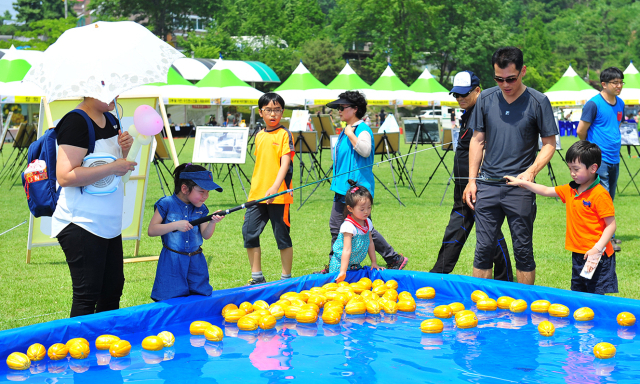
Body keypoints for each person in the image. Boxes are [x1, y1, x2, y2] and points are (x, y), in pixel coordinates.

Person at [463, 47, 558, 285]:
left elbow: (549, 144)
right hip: (487, 185)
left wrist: (531, 172)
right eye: (499, 79)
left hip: (521, 188)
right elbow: (477, 139)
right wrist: (471, 181)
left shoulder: (539, 101)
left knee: (523, 251)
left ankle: (522, 309)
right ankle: (481, 306)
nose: (505, 84)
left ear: (522, 71)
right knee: (483, 250)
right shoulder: (485, 98)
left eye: (511, 79)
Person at [51, 97, 137, 317]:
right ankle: (78, 350)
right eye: (110, 90)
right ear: (92, 90)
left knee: (112, 290)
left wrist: (124, 153)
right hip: (81, 222)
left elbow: (113, 171)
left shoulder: (111, 119)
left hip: (108, 223)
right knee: (87, 294)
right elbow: (65, 176)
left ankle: (105, 346)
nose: (115, 96)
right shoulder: (75, 121)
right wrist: (114, 166)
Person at [430, 70, 513, 281]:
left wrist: (475, 182)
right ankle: (438, 274)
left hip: (478, 187)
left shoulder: (486, 114)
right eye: (456, 95)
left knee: (490, 232)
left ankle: (505, 280)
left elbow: (487, 149)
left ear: (477, 90)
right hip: (462, 189)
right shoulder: (468, 115)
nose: (459, 99)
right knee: (455, 229)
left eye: (464, 94)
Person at [504, 141, 617, 294]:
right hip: (578, 254)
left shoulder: (600, 194)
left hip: (597, 256)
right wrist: (521, 182)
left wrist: (596, 249)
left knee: (596, 298)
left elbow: (611, 226)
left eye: (576, 169)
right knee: (578, 293)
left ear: (593, 168)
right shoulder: (571, 190)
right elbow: (545, 190)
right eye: (570, 168)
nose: (572, 173)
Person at [319, 90, 408, 273]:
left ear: (355, 109)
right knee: (347, 226)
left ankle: (336, 267)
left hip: (355, 189)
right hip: (342, 187)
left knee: (358, 227)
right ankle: (391, 258)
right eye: (339, 108)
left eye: (343, 107)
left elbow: (366, 150)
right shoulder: (347, 130)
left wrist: (351, 134)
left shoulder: (362, 130)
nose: (339, 111)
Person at [148, 164, 224, 301]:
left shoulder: (201, 209)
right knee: (171, 301)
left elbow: (206, 235)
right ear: (184, 188)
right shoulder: (166, 204)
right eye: (202, 191)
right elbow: (152, 230)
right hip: (172, 264)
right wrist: (174, 225)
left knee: (199, 299)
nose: (206, 196)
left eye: (208, 192)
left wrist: (213, 222)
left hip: (196, 263)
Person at [242, 92, 294, 285]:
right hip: (256, 195)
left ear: (282, 112)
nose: (273, 114)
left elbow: (285, 164)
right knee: (249, 232)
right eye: (268, 110)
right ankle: (257, 277)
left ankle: (285, 279)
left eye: (277, 110)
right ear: (261, 112)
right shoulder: (259, 135)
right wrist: (262, 188)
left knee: (282, 236)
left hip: (279, 196)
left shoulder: (284, 134)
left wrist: (274, 187)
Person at [577, 67, 624, 252]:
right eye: (615, 82)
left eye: (621, 82)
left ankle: (608, 236)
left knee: (608, 198)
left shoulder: (620, 103)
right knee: (600, 199)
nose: (619, 85)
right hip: (599, 160)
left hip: (615, 158)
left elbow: (615, 126)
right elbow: (581, 130)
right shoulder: (593, 104)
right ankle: (604, 240)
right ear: (603, 84)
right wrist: (590, 151)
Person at [331, 180, 383, 282]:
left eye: (369, 207)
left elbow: (370, 243)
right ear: (350, 208)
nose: (366, 212)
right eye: (362, 209)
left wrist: (374, 262)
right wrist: (342, 271)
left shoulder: (367, 222)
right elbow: (346, 250)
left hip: (355, 266)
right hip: (340, 266)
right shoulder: (348, 226)